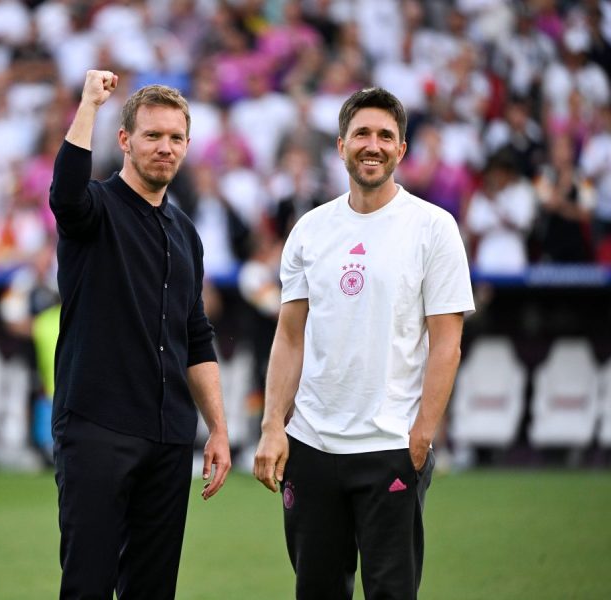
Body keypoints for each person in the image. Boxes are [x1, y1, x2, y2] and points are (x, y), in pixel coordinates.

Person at [253, 87, 475, 600]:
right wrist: (272, 426)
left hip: (391, 447)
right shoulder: (310, 229)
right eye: (362, 134)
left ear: (401, 150)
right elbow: (289, 336)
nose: (372, 145)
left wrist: (422, 434)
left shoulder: (433, 228)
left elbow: (447, 343)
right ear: (340, 145)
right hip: (310, 448)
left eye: (385, 136)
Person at [49, 69, 231, 600]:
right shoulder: (94, 209)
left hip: (170, 437)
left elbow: (196, 336)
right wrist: (89, 105)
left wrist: (217, 429)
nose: (165, 147)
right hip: (97, 428)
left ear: (188, 145)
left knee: (152, 590)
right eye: (152, 135)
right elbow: (64, 194)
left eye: (176, 138)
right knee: (88, 585)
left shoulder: (186, 233)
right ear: (125, 140)